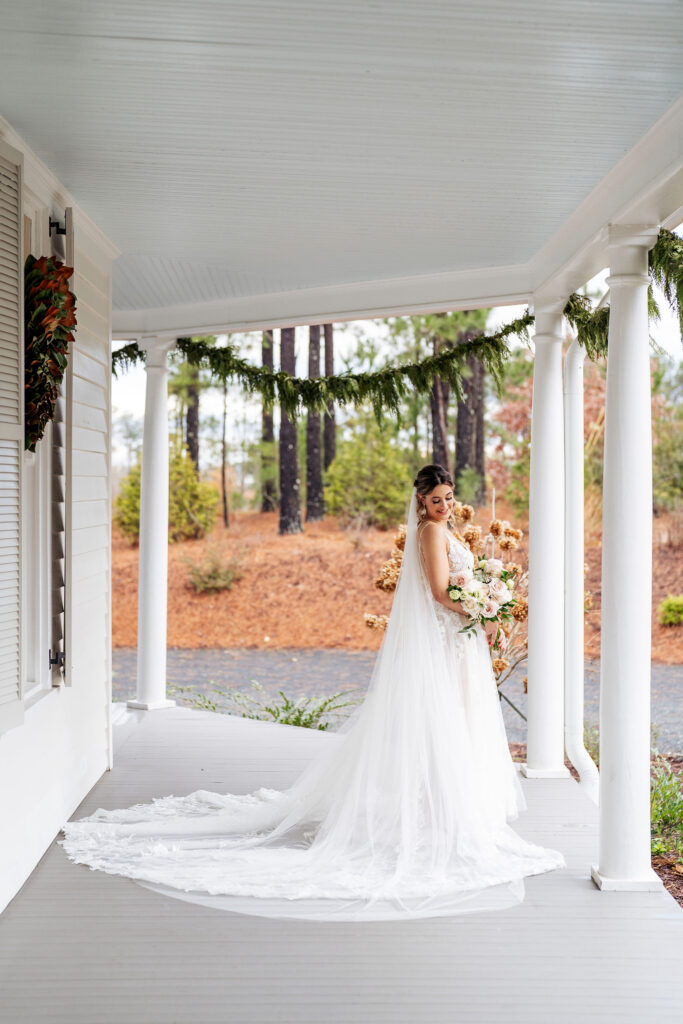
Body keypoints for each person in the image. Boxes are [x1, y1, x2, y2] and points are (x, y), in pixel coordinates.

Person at [61, 465, 564, 920]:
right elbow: (438, 592)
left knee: (455, 722)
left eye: (450, 498)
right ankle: (439, 812)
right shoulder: (432, 533)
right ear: (421, 502)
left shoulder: (445, 529)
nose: (445, 506)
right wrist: (480, 609)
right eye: (437, 500)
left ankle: (446, 808)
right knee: (444, 722)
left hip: (456, 640)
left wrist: (486, 602)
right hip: (448, 636)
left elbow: (457, 583)